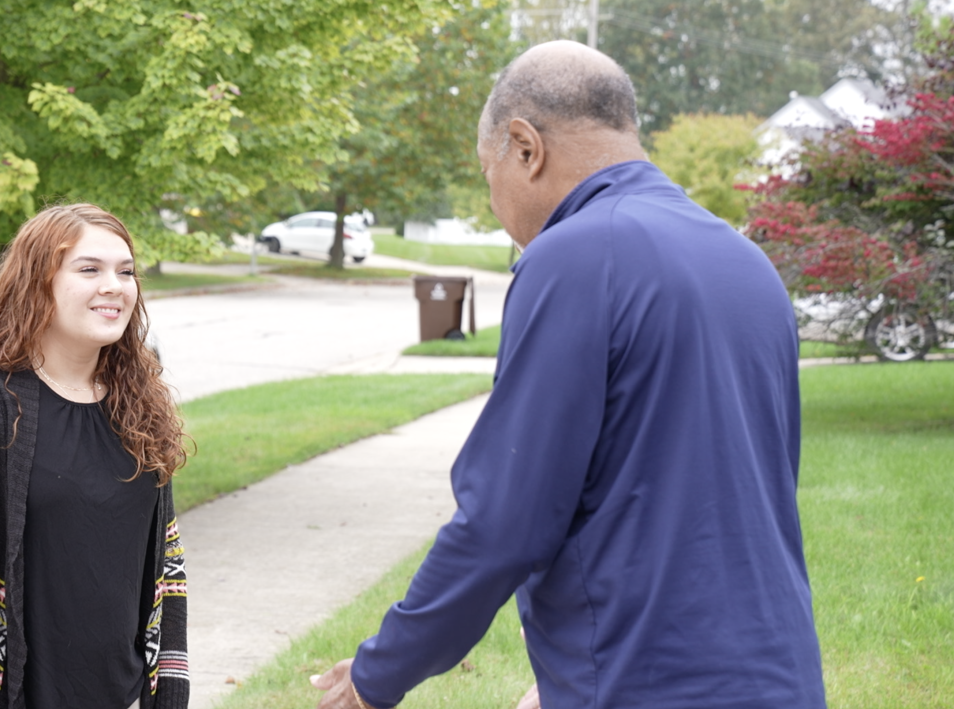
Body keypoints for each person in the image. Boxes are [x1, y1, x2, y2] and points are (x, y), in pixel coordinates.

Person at [313, 40, 826, 709]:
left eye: (487, 173)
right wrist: (567, 667)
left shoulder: (574, 255)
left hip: (646, 687)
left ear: (525, 147)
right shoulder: (746, 261)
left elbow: (505, 519)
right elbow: (710, 493)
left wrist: (378, 674)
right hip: (779, 676)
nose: (497, 208)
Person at [0, 204, 190, 709]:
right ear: (38, 282)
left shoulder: (139, 402)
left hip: (123, 694)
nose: (115, 286)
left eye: (126, 272)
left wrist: (171, 678)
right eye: (90, 269)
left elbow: (166, 560)